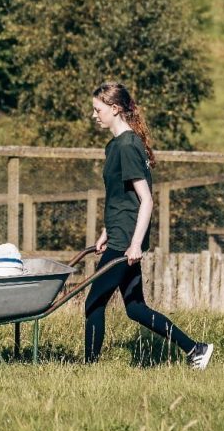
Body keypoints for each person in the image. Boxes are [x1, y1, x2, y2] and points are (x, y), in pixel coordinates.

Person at [84, 82, 213, 368]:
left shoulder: (129, 146)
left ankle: (87, 368)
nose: (94, 115)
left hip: (126, 241)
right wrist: (106, 230)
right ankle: (196, 349)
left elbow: (146, 200)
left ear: (115, 109)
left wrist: (134, 244)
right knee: (135, 308)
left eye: (98, 109)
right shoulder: (114, 145)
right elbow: (121, 196)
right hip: (118, 234)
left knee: (93, 303)